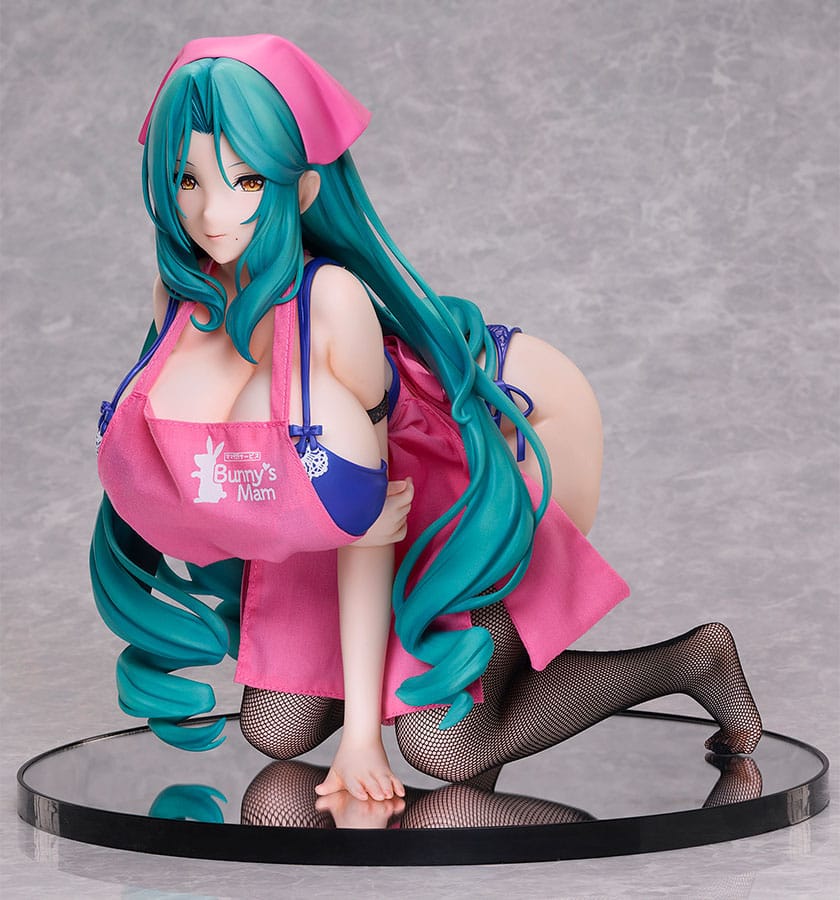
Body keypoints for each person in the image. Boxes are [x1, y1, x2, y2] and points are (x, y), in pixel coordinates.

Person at [92, 35, 762, 803]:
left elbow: (371, 525)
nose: (213, 212)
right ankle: (460, 702)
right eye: (188, 179)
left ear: (301, 189)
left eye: (245, 180)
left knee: (442, 749)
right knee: (273, 731)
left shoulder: (330, 302)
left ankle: (691, 661)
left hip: (436, 513)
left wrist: (361, 740)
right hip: (318, 529)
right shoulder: (180, 298)